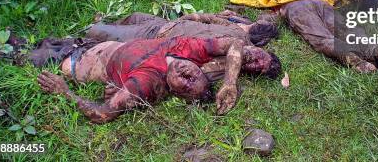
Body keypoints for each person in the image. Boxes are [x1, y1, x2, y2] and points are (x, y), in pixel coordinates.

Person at [35, 35, 281, 123]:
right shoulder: (188, 50)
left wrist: (64, 91)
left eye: (188, 86)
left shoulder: (148, 83)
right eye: (196, 75)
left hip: (72, 61)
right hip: (92, 43)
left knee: (16, 52)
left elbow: (103, 114)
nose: (189, 76)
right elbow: (233, 43)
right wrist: (229, 82)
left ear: (174, 93)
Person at [85, 10, 279, 47]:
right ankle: (109, 26)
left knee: (95, 31)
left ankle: (98, 33)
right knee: (135, 16)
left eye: (256, 23)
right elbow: (209, 18)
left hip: (158, 35)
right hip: (165, 24)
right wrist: (189, 17)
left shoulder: (239, 42)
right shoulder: (235, 26)